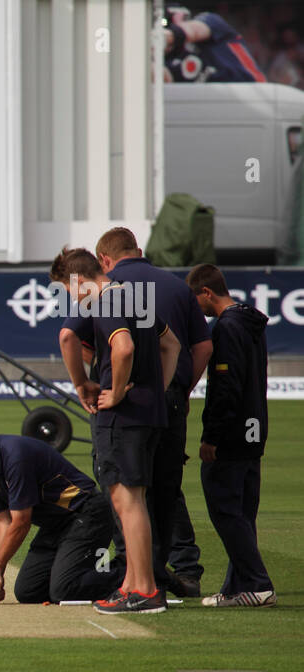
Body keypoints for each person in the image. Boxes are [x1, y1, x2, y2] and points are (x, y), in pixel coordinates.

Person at [51, 247, 181, 614]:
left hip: (122, 417)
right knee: (135, 500)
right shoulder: (134, 298)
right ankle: (132, 583)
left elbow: (118, 348)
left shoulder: (105, 302)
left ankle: (144, 590)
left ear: (78, 279)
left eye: (67, 290)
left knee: (127, 502)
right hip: (151, 413)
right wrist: (156, 390)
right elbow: (171, 345)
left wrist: (115, 388)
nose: (71, 298)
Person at [96, 226, 212, 597]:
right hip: (168, 398)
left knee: (126, 490)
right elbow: (202, 347)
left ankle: (134, 575)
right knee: (167, 487)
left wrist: (107, 385)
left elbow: (82, 341)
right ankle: (184, 569)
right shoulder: (178, 287)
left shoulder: (106, 288)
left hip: (127, 402)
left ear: (104, 259)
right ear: (140, 250)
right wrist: (177, 388)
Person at [185, 264, 276, 607]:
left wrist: (212, 436)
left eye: (197, 302)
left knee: (224, 509)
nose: (198, 311)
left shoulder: (226, 328)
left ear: (206, 292)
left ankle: (257, 583)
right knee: (241, 513)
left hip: (233, 434)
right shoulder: (251, 323)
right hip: (255, 428)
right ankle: (238, 587)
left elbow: (226, 386)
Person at [0, 428, 119, 604]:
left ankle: (129, 574)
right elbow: (1, 520)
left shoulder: (15, 456)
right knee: (28, 591)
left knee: (64, 590)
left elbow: (21, 522)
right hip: (55, 524)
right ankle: (73, 576)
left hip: (86, 513)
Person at [163, 7, 266, 83]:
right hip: (215, 106)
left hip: (250, 90)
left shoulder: (211, 21)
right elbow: (161, 76)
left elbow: (192, 31)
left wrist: (164, 37)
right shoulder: (168, 59)